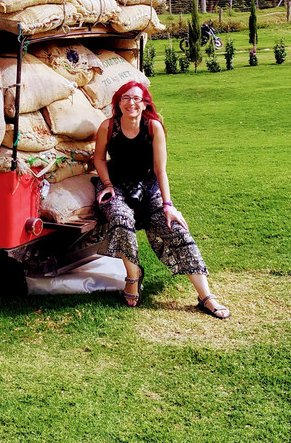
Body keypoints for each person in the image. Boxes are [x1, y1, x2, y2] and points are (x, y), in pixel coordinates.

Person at [92, 81, 231, 319]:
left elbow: (160, 170)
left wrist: (168, 205)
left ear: (145, 102)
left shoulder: (153, 127)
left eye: (137, 98)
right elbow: (99, 159)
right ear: (117, 102)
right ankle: (133, 278)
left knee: (176, 229)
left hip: (148, 189)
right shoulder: (108, 126)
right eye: (125, 98)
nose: (131, 103)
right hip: (117, 189)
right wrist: (106, 185)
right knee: (120, 218)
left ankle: (206, 296)